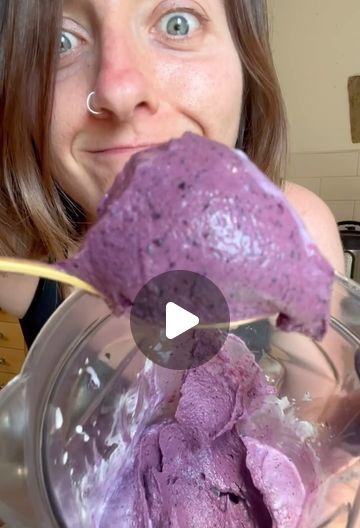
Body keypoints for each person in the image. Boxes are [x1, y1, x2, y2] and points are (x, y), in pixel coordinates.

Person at [0, 0, 344, 348]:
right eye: (60, 41)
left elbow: (322, 400)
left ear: (245, 53)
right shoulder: (23, 257)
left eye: (177, 24)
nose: (120, 94)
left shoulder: (298, 232)